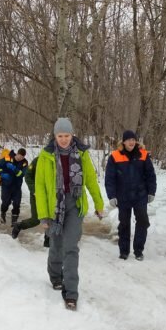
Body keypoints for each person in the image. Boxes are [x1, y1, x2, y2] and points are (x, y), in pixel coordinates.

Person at [35, 118, 105, 310]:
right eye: (60, 136)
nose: (64, 139)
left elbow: (90, 179)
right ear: (55, 136)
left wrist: (99, 204)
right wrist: (43, 215)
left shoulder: (81, 154)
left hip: (75, 205)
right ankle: (55, 276)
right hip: (53, 207)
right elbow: (40, 187)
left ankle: (71, 292)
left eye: (67, 135)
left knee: (71, 247)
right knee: (56, 245)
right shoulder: (46, 156)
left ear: (72, 134)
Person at [104, 130, 157, 260]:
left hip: (140, 195)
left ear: (136, 141)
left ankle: (138, 250)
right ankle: (124, 251)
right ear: (123, 141)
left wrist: (151, 192)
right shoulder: (115, 156)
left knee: (143, 222)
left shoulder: (143, 155)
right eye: (128, 140)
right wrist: (111, 195)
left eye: (133, 139)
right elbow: (109, 178)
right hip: (123, 196)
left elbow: (151, 175)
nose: (131, 142)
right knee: (124, 224)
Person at [11, 156, 50, 247]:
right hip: (36, 194)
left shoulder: (58, 159)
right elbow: (27, 176)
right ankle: (19, 225)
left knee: (50, 217)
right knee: (35, 219)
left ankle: (48, 240)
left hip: (50, 195)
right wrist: (34, 190)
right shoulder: (38, 160)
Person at [0, 148, 28, 224]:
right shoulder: (8, 158)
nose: (20, 158)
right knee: (6, 202)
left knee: (17, 203)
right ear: (17, 154)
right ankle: (3, 213)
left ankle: (14, 220)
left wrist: (14, 169)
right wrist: (2, 174)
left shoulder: (24, 163)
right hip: (6, 185)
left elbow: (22, 174)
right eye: (19, 156)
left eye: (22, 157)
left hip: (17, 186)